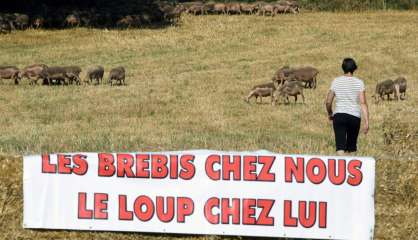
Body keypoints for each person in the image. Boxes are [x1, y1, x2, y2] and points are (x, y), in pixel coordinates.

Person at [325, 58, 369, 156]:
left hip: (339, 116)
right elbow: (363, 103)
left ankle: (342, 168)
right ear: (354, 68)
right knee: (352, 149)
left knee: (340, 148)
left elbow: (328, 102)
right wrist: (366, 122)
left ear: (343, 68)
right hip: (354, 117)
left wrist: (330, 113)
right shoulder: (359, 83)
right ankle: (350, 169)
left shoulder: (336, 81)